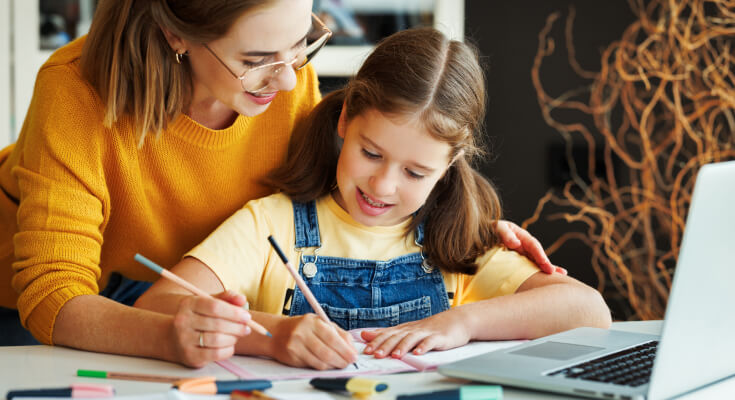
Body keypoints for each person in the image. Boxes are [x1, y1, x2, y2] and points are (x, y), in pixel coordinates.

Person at [0, 0, 554, 359]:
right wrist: (255, 334)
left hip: (188, 300)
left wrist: (458, 217)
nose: (290, 77)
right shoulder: (75, 91)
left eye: (301, 43)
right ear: (176, 35)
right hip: (61, 307)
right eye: (260, 56)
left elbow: (333, 184)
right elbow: (53, 295)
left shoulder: (284, 79)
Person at [136, 27, 611, 370]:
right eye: (370, 153)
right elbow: (158, 304)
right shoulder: (271, 223)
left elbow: (589, 312)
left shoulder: (457, 242)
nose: (382, 186)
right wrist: (272, 337)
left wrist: (462, 322)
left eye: (414, 171)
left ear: (449, 165)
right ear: (345, 121)